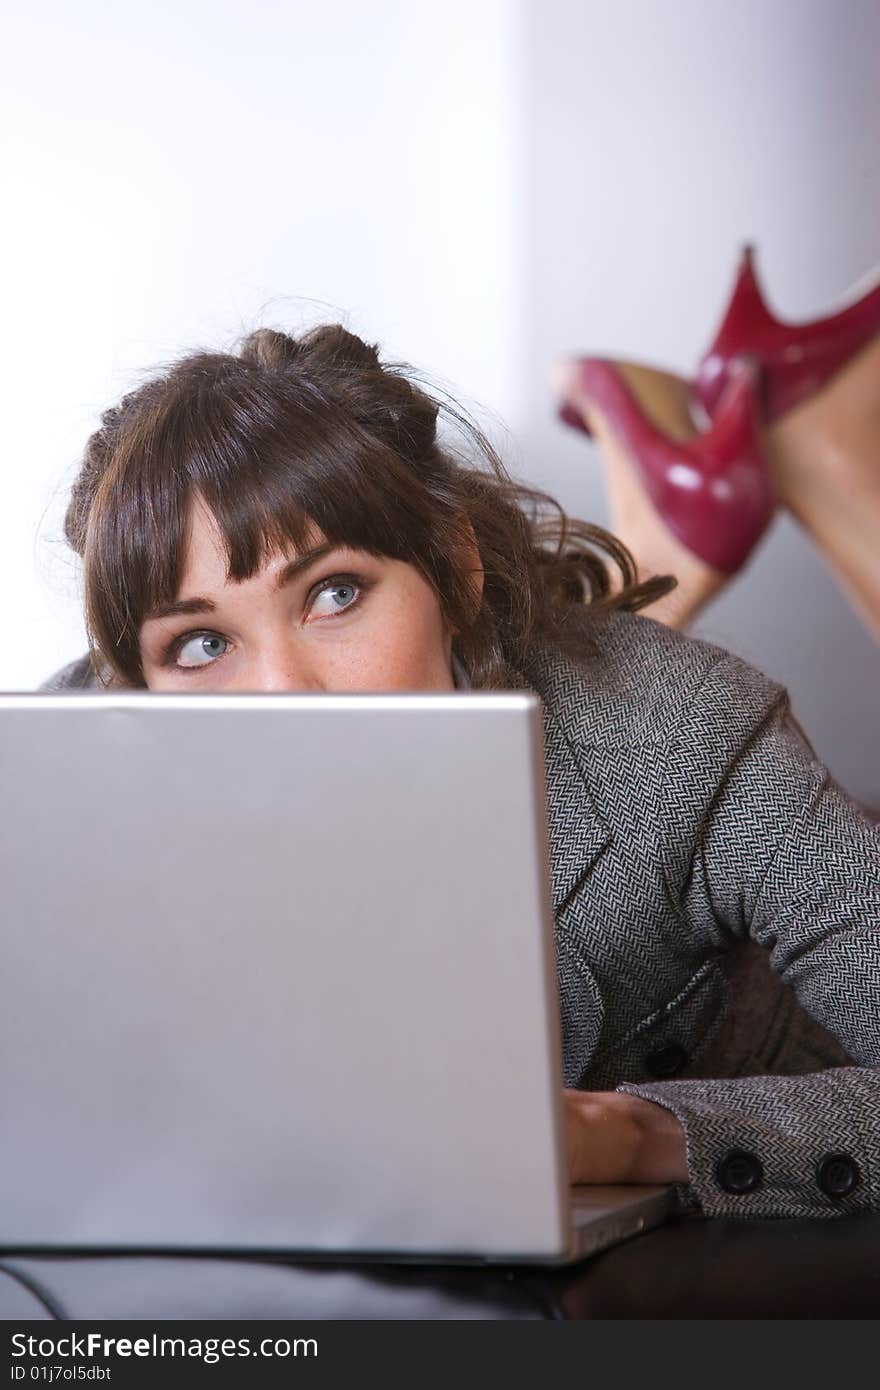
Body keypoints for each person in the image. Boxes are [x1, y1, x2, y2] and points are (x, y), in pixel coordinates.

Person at [44, 322, 880, 1221]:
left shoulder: (679, 735)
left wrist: (641, 1135)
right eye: (203, 644)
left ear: (454, 566)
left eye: (335, 593)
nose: (285, 693)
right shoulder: (67, 778)